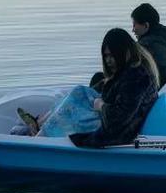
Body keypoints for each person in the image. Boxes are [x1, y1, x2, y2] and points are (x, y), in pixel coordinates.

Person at [14, 28, 158, 148]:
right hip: (115, 122)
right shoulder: (132, 70)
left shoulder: (136, 77)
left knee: (76, 100)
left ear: (124, 53)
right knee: (79, 93)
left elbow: (118, 120)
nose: (108, 61)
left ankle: (40, 135)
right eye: (106, 56)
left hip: (119, 131)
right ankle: (42, 126)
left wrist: (101, 105)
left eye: (112, 56)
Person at [130, 3, 166, 87]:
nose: (133, 30)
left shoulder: (146, 45)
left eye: (135, 25)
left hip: (157, 87)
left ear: (146, 25)